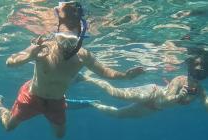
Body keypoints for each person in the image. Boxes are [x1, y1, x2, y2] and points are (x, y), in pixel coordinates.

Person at [0, 1, 144, 138]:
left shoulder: (83, 56)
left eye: (71, 41)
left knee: (60, 135)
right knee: (9, 126)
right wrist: (29, 55)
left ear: (80, 39)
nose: (66, 45)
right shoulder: (44, 48)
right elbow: (9, 62)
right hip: (31, 96)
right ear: (56, 35)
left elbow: (105, 72)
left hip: (56, 102)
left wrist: (125, 76)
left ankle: (67, 105)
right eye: (62, 39)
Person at [68, 53, 208, 118]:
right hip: (152, 93)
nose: (196, 77)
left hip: (153, 107)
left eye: (201, 74)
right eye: (195, 72)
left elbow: (206, 102)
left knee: (118, 114)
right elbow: (165, 99)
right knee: (115, 93)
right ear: (190, 69)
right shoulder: (179, 79)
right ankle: (86, 78)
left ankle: (92, 104)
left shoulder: (200, 90)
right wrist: (179, 96)